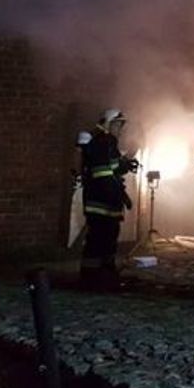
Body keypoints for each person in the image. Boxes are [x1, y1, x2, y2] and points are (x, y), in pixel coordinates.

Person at [80, 109, 137, 289]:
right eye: (117, 124)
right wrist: (120, 193)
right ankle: (91, 278)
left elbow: (114, 167)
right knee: (98, 239)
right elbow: (103, 174)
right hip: (100, 201)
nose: (120, 129)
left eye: (121, 125)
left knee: (109, 238)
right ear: (107, 123)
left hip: (108, 202)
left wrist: (127, 161)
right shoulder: (103, 142)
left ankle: (105, 275)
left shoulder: (108, 143)